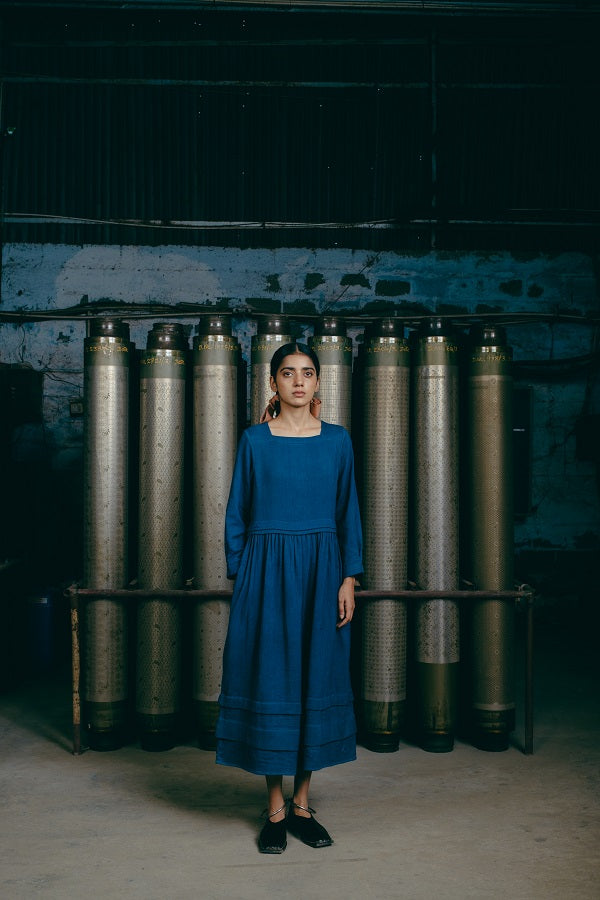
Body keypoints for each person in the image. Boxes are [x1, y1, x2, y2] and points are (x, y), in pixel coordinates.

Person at [216, 341, 363, 854]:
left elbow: (349, 514)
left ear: (319, 382)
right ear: (273, 383)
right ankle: (275, 807)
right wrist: (245, 574)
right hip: (267, 573)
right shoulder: (255, 440)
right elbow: (238, 510)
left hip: (323, 572)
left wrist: (349, 578)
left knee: (312, 679)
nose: (298, 381)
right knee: (271, 679)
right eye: (287, 373)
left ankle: (303, 805)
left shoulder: (338, 441)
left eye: (306, 373)